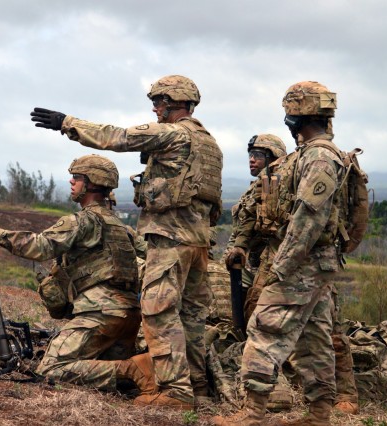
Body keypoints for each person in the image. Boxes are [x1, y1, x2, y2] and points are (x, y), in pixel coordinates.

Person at [31, 75, 223, 409]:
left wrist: (67, 123)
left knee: (158, 311)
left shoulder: (172, 133)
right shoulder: (211, 144)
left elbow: (117, 138)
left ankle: (175, 392)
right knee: (191, 317)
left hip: (169, 238)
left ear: (173, 102)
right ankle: (199, 392)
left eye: (159, 102)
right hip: (200, 242)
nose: (155, 109)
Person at [212, 81, 346, 426]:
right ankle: (319, 415)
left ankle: (252, 413)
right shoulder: (312, 154)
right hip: (315, 265)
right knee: (314, 338)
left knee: (264, 328)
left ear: (295, 116)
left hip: (301, 264)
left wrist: (280, 268)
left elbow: (308, 219)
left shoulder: (318, 157)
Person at [0, 154, 154, 395]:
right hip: (128, 317)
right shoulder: (122, 227)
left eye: (76, 177)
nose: (71, 182)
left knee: (52, 369)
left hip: (100, 314)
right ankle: (136, 372)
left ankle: (131, 368)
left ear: (91, 183)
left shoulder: (83, 221)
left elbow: (39, 246)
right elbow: (152, 256)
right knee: (106, 379)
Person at [224, 134, 287, 322]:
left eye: (258, 155)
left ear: (274, 157)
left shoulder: (277, 186)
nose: (252, 159)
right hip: (247, 264)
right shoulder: (257, 187)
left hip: (265, 265)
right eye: (251, 154)